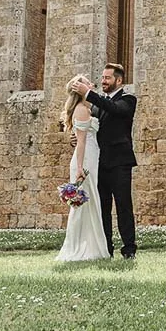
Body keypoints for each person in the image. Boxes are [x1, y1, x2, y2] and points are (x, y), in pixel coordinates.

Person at [73, 64, 137, 259]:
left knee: (123, 205)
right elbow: (92, 131)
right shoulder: (98, 106)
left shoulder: (128, 100)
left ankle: (128, 249)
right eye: (102, 77)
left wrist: (89, 93)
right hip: (100, 163)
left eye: (107, 78)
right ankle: (106, 248)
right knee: (103, 208)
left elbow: (115, 109)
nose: (103, 81)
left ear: (118, 80)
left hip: (120, 162)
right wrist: (77, 138)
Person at [55, 80, 110, 262]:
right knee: (83, 205)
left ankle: (93, 246)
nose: (92, 83)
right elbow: (81, 142)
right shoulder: (81, 108)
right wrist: (79, 168)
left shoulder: (88, 108)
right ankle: (78, 247)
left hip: (92, 158)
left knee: (91, 202)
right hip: (85, 161)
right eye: (87, 82)